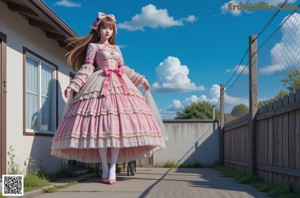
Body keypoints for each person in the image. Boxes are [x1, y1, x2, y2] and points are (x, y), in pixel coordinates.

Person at [51, 12, 167, 185]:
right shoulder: (93, 47)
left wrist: (141, 79)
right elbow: (87, 69)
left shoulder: (117, 49)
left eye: (111, 28)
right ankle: (105, 166)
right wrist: (73, 86)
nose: (107, 31)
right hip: (100, 85)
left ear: (114, 31)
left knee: (118, 131)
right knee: (102, 131)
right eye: (104, 27)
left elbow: (125, 69)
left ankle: (113, 167)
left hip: (120, 85)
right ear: (98, 30)